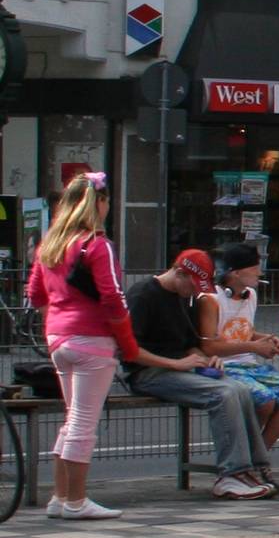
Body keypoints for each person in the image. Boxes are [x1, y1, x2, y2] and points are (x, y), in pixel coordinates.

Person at [23, 173, 210, 519]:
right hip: (92, 340)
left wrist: (57, 322)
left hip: (58, 339)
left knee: (70, 418)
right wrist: (125, 343)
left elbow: (35, 294)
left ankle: (59, 497)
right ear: (101, 204)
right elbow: (112, 297)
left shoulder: (49, 244)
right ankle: (76, 501)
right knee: (82, 422)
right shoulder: (97, 245)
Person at [122, 248, 279, 499]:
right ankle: (231, 473)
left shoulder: (182, 296)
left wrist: (207, 359)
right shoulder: (143, 295)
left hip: (179, 366)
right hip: (149, 372)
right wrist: (175, 364)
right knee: (224, 393)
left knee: (240, 388)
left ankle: (254, 465)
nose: (196, 292)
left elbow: (189, 341)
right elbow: (128, 351)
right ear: (180, 272)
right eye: (194, 285)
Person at [202, 243, 279, 452]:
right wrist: (254, 346)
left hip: (248, 364)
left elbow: (240, 331)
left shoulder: (250, 295)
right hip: (224, 365)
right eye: (255, 268)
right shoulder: (211, 300)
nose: (260, 272)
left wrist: (265, 339)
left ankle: (258, 455)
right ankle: (245, 454)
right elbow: (209, 346)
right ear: (236, 273)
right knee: (264, 400)